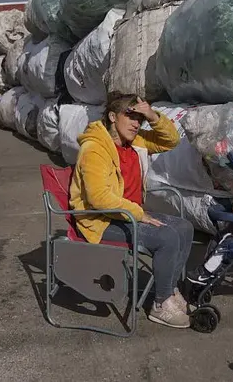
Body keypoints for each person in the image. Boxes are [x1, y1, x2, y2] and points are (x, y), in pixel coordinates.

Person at [69, 92, 194, 329]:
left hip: (126, 214)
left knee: (184, 227)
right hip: (101, 220)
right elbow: (99, 198)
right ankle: (160, 304)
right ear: (113, 117)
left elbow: (171, 141)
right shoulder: (95, 149)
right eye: (131, 117)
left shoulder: (133, 141)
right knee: (166, 237)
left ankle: (168, 289)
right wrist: (140, 215)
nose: (137, 124)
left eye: (140, 119)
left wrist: (152, 116)